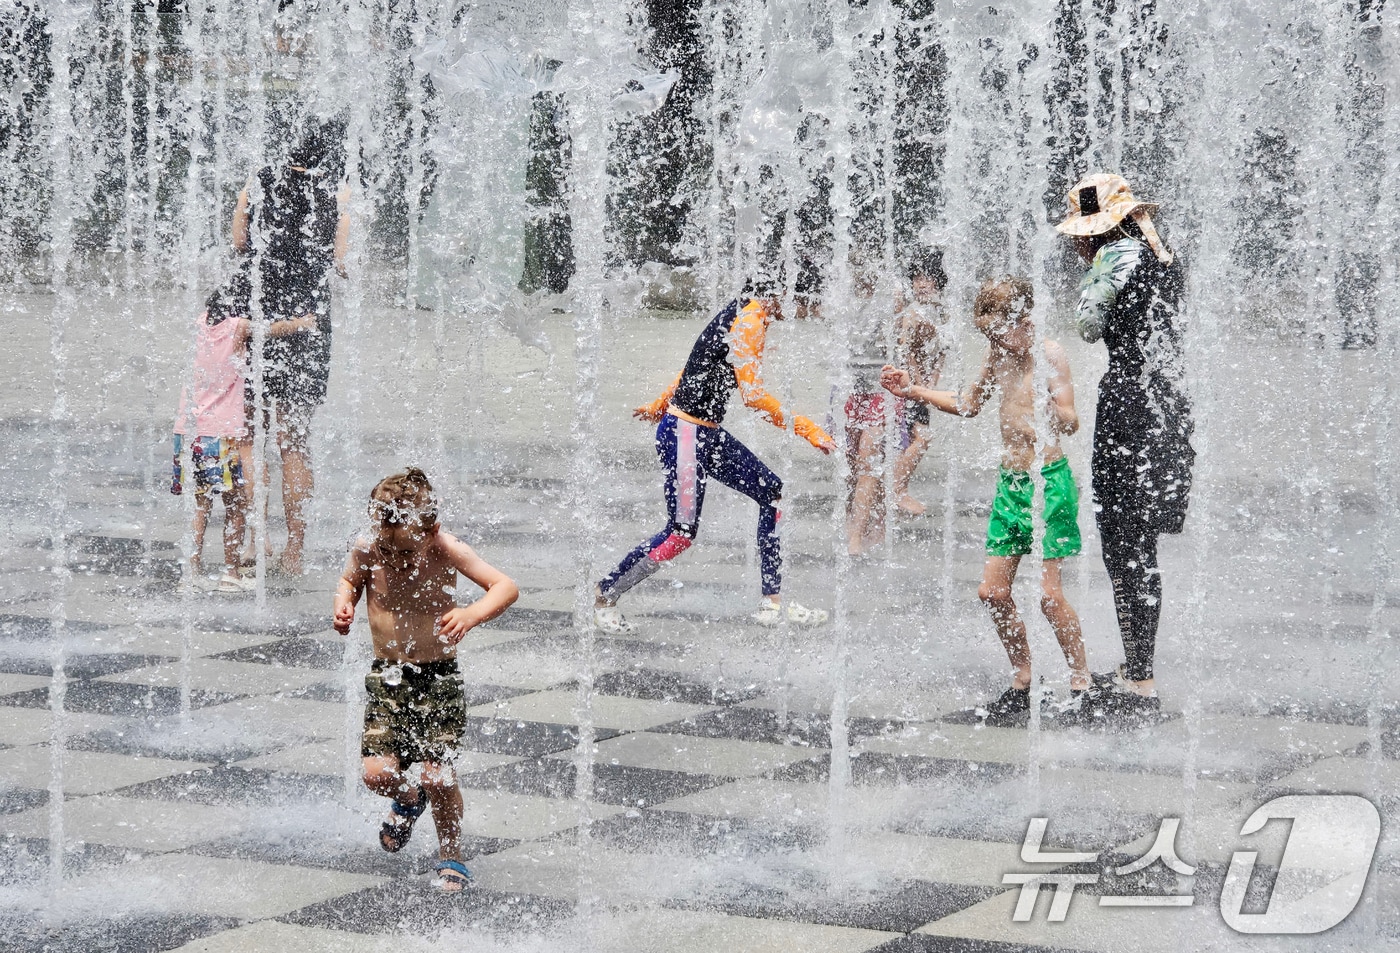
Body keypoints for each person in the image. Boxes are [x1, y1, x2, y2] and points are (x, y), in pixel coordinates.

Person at [881, 277, 1089, 723]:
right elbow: (970, 404)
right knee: (992, 592)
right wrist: (913, 390)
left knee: (1050, 597)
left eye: (1000, 331)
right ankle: (1023, 680)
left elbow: (1071, 424)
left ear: (1024, 319)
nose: (995, 341)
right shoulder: (1000, 352)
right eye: (988, 334)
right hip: (1011, 484)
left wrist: (1057, 408)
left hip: (1049, 482)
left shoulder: (1050, 352)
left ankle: (1081, 680)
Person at [593, 281, 837, 634]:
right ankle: (606, 594)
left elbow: (695, 366)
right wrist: (808, 429)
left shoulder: (747, 311)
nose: (806, 310)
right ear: (781, 292)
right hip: (687, 436)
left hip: (702, 433)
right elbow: (752, 396)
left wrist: (660, 403)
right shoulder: (750, 320)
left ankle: (773, 603)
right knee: (680, 534)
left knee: (773, 493)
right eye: (806, 300)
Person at [332, 468, 518, 891]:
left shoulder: (443, 545)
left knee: (439, 775)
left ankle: (450, 853)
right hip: (389, 677)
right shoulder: (368, 547)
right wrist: (344, 605)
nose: (397, 559)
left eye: (406, 550)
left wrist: (471, 614)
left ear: (430, 526)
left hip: (439, 678)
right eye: (389, 548)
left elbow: (505, 586)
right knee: (376, 774)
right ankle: (409, 797)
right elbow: (348, 580)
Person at [1055, 173, 1193, 722]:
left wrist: (1093, 280)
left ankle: (1141, 683)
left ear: (1097, 229)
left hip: (1129, 407)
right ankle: (1140, 667)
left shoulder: (1111, 263)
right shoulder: (1166, 257)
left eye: (1079, 233)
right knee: (1145, 546)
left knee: (1122, 543)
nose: (1074, 242)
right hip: (1171, 406)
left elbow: (1088, 327)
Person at [233, 116, 350, 576]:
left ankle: (256, 542)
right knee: (294, 442)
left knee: (250, 438)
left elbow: (240, 244)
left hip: (259, 321)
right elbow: (343, 265)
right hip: (308, 327)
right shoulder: (338, 198)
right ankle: (295, 550)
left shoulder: (256, 185)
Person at [171, 266, 255, 593]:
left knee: (200, 504)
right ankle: (231, 573)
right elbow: (271, 328)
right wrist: (304, 322)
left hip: (188, 433)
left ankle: (190, 574)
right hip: (221, 435)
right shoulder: (238, 328)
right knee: (235, 504)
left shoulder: (200, 325)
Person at [890, 249, 949, 517]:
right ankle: (897, 492)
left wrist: (932, 382)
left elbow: (943, 351)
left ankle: (895, 491)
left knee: (916, 438)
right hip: (907, 387)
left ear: (938, 282)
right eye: (917, 279)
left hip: (921, 387)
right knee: (921, 438)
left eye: (927, 278)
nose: (922, 284)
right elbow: (905, 350)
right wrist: (916, 385)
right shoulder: (912, 313)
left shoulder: (940, 311)